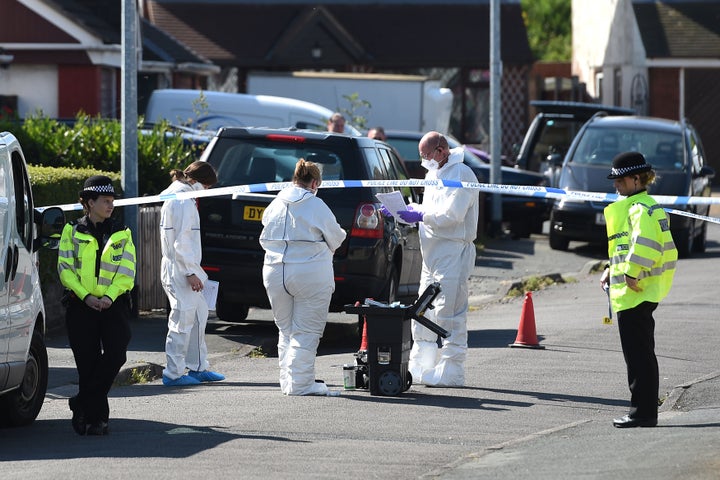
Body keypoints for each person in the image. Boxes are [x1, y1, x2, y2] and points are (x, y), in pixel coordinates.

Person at [385, 131, 479, 386]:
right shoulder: (432, 174)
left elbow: (452, 216)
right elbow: (427, 211)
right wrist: (404, 212)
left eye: (426, 155)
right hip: (431, 254)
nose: (424, 160)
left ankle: (452, 369)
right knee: (422, 312)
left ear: (441, 150)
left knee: (450, 312)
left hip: (453, 251)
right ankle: (421, 364)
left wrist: (420, 216)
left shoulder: (463, 175)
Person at [600, 152, 677, 428]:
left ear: (635, 179)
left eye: (620, 180)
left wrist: (631, 272)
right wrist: (612, 268)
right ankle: (643, 411)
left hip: (637, 290)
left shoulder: (639, 208)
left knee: (638, 355)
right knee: (641, 352)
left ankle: (642, 413)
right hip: (640, 290)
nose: (616, 185)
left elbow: (645, 244)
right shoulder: (642, 205)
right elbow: (625, 246)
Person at [260, 159, 347, 395]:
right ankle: (301, 383)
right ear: (315, 183)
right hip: (310, 272)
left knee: (285, 329)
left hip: (275, 271)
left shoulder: (275, 203)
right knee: (306, 331)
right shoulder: (316, 205)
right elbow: (337, 238)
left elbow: (264, 230)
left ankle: (287, 381)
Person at [58, 175, 136, 435]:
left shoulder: (122, 233)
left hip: (113, 305)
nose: (111, 205)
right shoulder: (72, 231)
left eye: (112, 200)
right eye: (105, 200)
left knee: (117, 353)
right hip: (81, 306)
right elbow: (65, 270)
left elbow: (127, 271)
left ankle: (81, 402)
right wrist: (85, 296)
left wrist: (109, 297)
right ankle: (95, 420)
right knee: (87, 364)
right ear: (89, 202)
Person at [160, 161, 225, 387]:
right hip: (181, 270)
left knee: (198, 315)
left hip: (182, 267)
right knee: (182, 320)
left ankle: (198, 367)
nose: (206, 193)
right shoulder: (184, 201)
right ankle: (173, 373)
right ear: (197, 182)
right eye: (207, 187)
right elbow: (181, 242)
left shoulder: (178, 194)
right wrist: (190, 272)